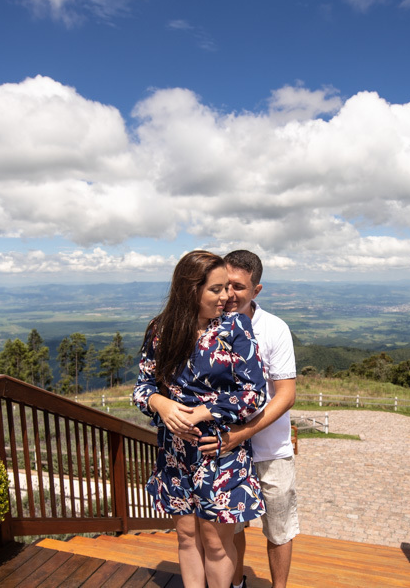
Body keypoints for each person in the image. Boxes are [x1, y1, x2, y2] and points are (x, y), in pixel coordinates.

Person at [132, 250, 268, 588]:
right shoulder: (161, 329)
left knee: (216, 543)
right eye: (216, 289)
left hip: (218, 451)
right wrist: (160, 403)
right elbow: (142, 386)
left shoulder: (236, 328)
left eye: (227, 288)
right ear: (190, 290)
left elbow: (256, 394)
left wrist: (209, 410)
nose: (226, 297)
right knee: (186, 536)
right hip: (175, 454)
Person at [198, 250, 299, 588]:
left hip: (271, 448)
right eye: (224, 285)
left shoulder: (274, 328)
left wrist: (241, 433)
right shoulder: (209, 325)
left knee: (279, 528)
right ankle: (236, 582)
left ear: (256, 290)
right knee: (232, 526)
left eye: (239, 287)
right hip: (225, 451)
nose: (229, 294)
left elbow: (285, 395)